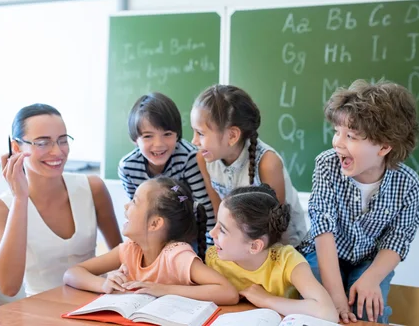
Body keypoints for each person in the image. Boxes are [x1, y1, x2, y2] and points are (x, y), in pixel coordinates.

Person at [297, 79, 419, 324]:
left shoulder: (407, 183)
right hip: (325, 254)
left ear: (384, 146)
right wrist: (334, 294)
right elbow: (323, 227)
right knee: (320, 306)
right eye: (337, 132)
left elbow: (398, 238)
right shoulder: (326, 164)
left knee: (368, 310)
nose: (337, 143)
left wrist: (372, 278)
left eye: (351, 136)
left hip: (370, 260)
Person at [0, 103, 122, 297]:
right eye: (42, 142)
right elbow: (8, 287)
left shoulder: (93, 188)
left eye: (62, 140)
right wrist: (20, 199)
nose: (57, 152)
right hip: (40, 311)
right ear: (16, 148)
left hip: (96, 304)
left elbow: (124, 257)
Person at [64, 177, 239, 305]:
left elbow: (228, 292)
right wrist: (104, 284)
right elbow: (72, 273)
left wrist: (164, 290)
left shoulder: (176, 255)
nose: (126, 206)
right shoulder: (130, 250)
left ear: (155, 223)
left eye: (134, 201)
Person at [191, 84, 307, 247]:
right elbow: (220, 215)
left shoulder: (267, 163)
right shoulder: (203, 159)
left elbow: (276, 228)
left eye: (201, 134)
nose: (194, 141)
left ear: (232, 135)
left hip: (285, 246)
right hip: (242, 247)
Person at [206, 184, 337, 322]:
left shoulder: (287, 261)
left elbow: (328, 313)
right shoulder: (214, 258)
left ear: (255, 246)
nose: (211, 233)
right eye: (216, 224)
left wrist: (266, 300)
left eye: (222, 230)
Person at [118, 92, 215, 240]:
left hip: (190, 233)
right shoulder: (128, 167)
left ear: (177, 134)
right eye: (148, 136)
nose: (158, 144)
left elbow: (202, 209)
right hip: (153, 234)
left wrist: (209, 253)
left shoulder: (189, 159)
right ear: (135, 139)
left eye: (167, 134)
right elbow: (137, 213)